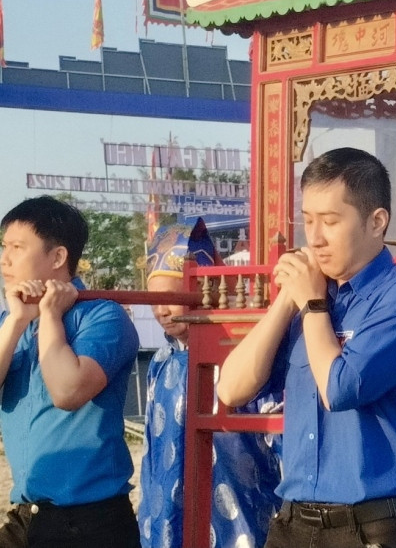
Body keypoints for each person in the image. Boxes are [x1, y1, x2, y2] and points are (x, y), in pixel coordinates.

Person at [216, 147, 396, 548]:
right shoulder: (310, 298)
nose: (315, 238)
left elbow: (340, 389)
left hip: (374, 525)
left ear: (377, 222)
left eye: (331, 221)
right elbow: (231, 390)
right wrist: (288, 300)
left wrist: (314, 305)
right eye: (307, 221)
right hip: (292, 521)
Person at [0, 195, 141, 548]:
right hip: (27, 517)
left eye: (17, 247)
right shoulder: (8, 319)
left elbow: (67, 391)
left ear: (57, 257)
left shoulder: (104, 317)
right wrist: (16, 322)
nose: (4, 259)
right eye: (4, 247)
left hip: (91, 523)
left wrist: (51, 317)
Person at [137, 220, 281, 548]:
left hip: (240, 503)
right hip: (166, 507)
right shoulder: (160, 361)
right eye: (153, 299)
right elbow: (150, 448)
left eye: (172, 297)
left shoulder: (243, 352)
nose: (162, 310)